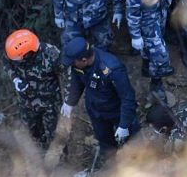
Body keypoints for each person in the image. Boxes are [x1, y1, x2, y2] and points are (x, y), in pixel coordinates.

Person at [59, 36, 140, 169]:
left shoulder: (112, 68)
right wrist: (70, 102)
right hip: (97, 112)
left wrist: (124, 125)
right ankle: (112, 169)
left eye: (73, 62)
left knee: (134, 144)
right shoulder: (78, 65)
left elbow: (128, 98)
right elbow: (77, 82)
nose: (71, 65)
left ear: (84, 60)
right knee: (106, 144)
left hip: (117, 112)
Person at [125, 0, 176, 104]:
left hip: (158, 13)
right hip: (147, 21)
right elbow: (132, 9)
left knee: (151, 48)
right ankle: (156, 86)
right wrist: (135, 35)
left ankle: (146, 65)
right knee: (161, 57)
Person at [3, 29, 64, 149]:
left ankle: (61, 163)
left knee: (55, 135)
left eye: (18, 59)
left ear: (27, 54)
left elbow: (66, 75)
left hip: (50, 102)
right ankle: (39, 158)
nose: (16, 61)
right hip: (27, 102)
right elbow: (7, 62)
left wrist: (68, 101)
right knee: (32, 134)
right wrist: (15, 79)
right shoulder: (13, 53)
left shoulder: (51, 54)